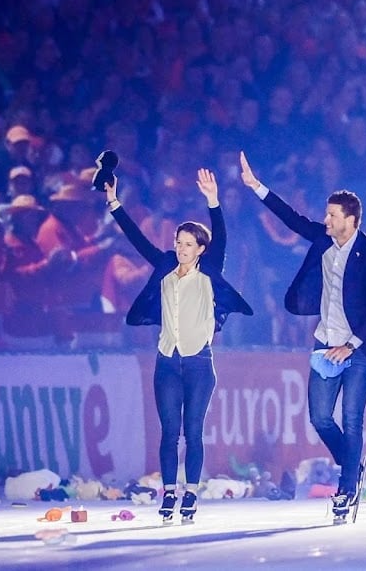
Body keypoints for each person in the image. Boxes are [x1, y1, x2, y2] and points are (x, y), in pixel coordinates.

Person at [238, 151, 366, 524]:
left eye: (332, 216)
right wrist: (256, 186)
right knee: (321, 418)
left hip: (359, 349)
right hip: (325, 344)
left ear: (350, 220)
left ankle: (346, 489)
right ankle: (352, 465)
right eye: (326, 214)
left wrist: (351, 344)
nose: (325, 220)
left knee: (352, 420)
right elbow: (292, 219)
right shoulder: (323, 240)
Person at [105, 168, 252, 523]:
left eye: (188, 244)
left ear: (201, 249)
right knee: (170, 432)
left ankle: (191, 493)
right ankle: (169, 493)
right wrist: (114, 203)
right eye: (177, 242)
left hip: (199, 364)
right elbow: (138, 240)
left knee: (193, 432)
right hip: (167, 362)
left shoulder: (208, 272)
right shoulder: (166, 269)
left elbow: (223, 239)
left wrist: (213, 202)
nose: (180, 248)